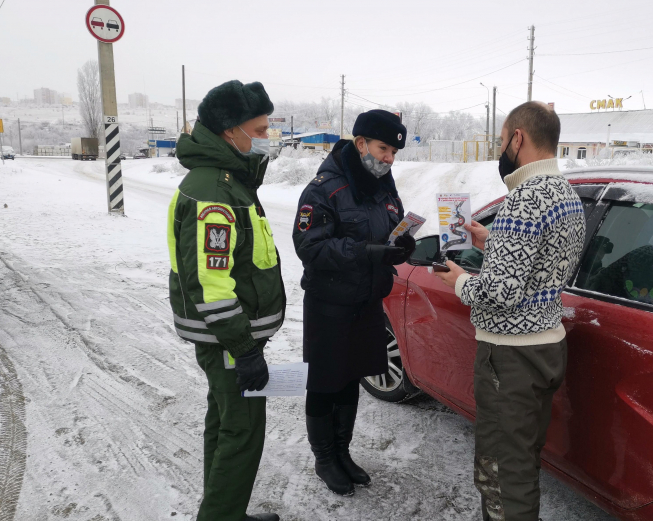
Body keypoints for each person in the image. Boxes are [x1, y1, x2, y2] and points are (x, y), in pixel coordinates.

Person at [434, 102, 586, 521]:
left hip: (510, 357)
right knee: (523, 456)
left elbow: (501, 293)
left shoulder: (524, 200)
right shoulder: (566, 195)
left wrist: (459, 281)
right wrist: (494, 241)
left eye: (502, 140)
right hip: (547, 347)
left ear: (518, 138)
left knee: (503, 470)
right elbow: (542, 263)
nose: (501, 148)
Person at [168, 80, 284, 521]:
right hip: (228, 339)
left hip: (230, 337)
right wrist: (246, 348)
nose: (266, 137)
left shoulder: (230, 181)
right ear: (228, 132)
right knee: (243, 431)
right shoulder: (213, 193)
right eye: (259, 129)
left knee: (224, 422)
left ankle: (224, 510)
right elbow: (211, 286)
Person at [292, 110, 416, 496]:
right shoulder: (324, 188)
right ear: (360, 143)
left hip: (366, 302)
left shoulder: (382, 185)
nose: (389, 159)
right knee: (325, 382)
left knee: (351, 378)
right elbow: (309, 246)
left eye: (394, 152)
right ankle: (324, 457)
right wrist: (366, 251)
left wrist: (400, 246)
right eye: (383, 149)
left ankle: (343, 452)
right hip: (330, 304)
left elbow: (387, 231)